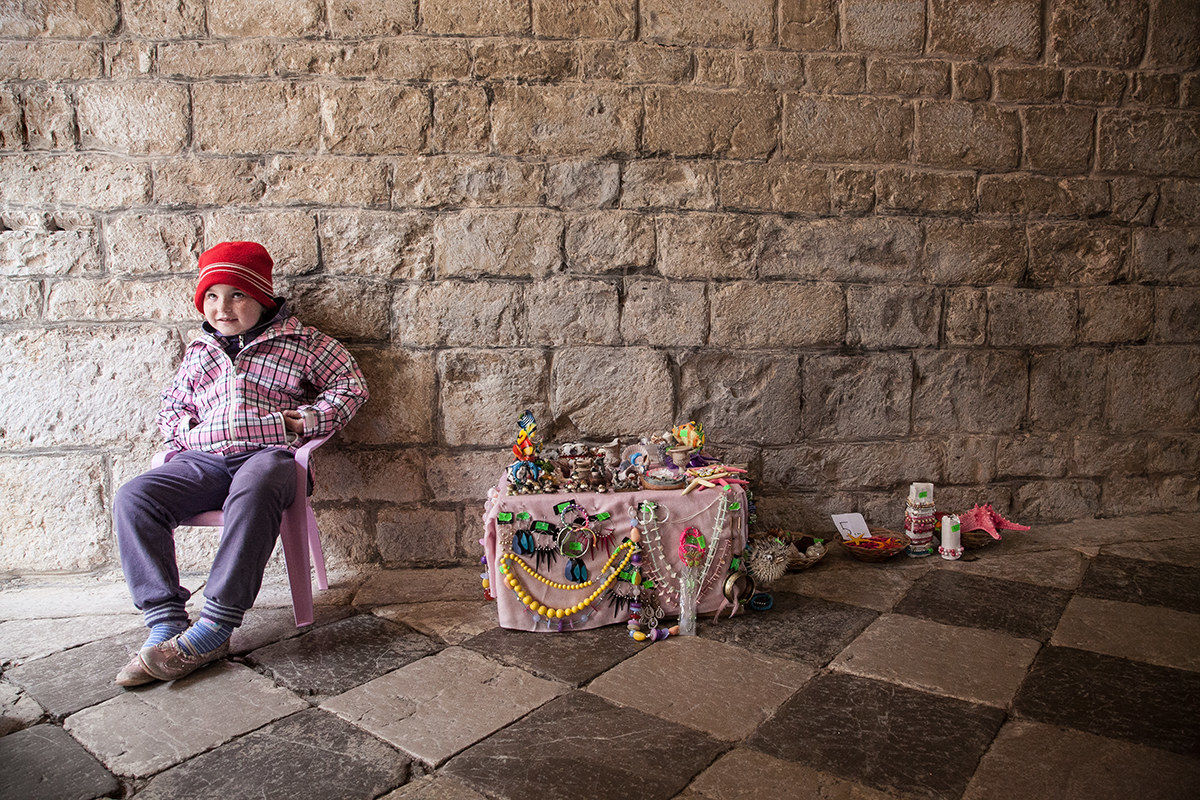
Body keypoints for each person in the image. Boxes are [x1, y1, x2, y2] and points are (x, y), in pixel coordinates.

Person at [113, 241, 368, 686]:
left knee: (259, 481)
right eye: (212, 296)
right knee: (135, 496)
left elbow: (351, 387)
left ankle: (215, 625)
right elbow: (171, 410)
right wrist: (191, 438)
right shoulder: (199, 352)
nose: (222, 307)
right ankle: (165, 621)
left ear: (261, 297)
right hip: (206, 462)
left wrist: (300, 421)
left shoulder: (301, 342)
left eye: (236, 295)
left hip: (269, 459)